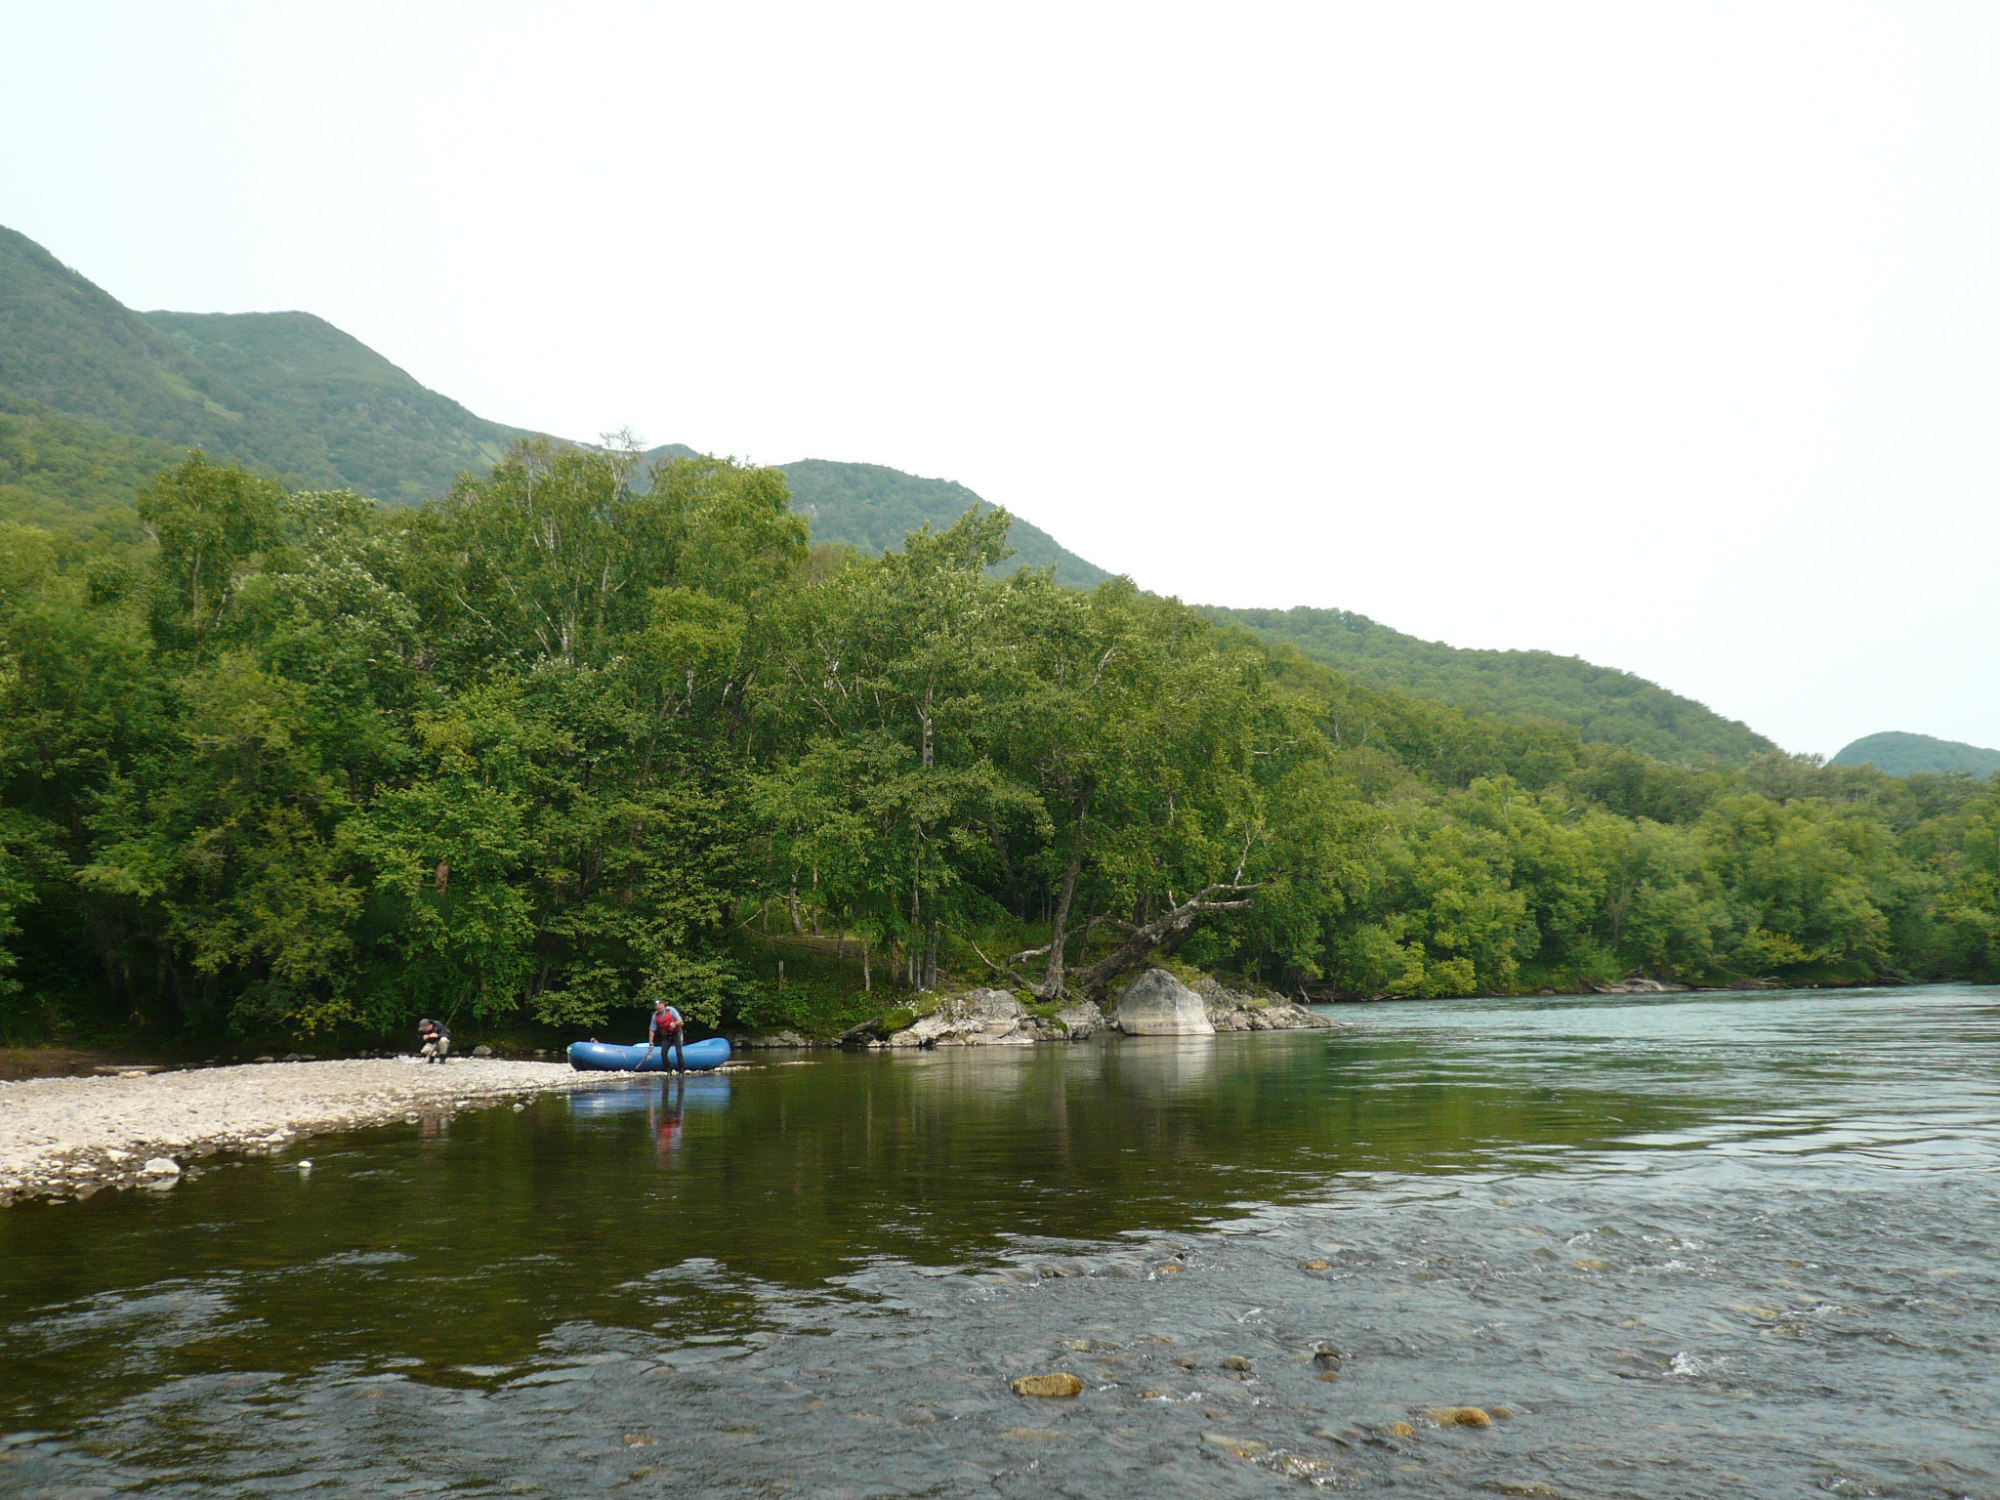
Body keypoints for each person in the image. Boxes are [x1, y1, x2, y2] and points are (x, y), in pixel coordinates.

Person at [648, 1001, 686, 1073]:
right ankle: (668, 1071)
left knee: (678, 1052)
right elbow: (652, 1030)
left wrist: (674, 1023)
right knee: (663, 1053)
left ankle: (681, 1071)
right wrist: (651, 1043)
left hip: (676, 1033)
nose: (660, 1010)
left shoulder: (671, 1010)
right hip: (667, 1035)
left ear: (663, 1005)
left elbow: (680, 1020)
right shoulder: (655, 1016)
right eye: (658, 1009)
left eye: (661, 1008)